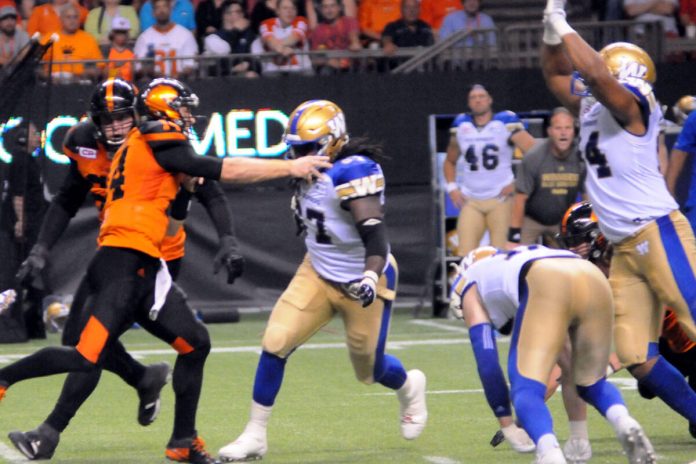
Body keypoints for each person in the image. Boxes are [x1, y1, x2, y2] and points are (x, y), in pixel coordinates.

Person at [0, 78, 331, 462]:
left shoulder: (143, 146)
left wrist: (198, 208)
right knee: (85, 354)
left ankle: (181, 439)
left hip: (145, 261)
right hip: (124, 261)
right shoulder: (156, 138)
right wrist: (290, 166)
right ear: (164, 112)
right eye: (184, 110)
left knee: (195, 343)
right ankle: (9, 382)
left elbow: (178, 211)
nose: (189, 118)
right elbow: (222, 168)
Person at [217, 100, 428, 462]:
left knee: (369, 370)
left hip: (363, 278)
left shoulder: (353, 172)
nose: (297, 156)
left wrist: (369, 276)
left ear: (331, 142)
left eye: (305, 148)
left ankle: (409, 386)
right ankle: (254, 435)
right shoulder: (306, 167)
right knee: (275, 340)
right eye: (294, 148)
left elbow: (375, 235)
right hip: (316, 270)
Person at [542, 0, 696, 437]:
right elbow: (556, 74)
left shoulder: (637, 101)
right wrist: (550, 32)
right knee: (636, 354)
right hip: (625, 246)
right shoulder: (594, 108)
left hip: (657, 229)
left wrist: (563, 23)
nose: (594, 81)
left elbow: (595, 76)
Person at [449, 245, 656, 464]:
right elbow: (566, 365)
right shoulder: (517, 258)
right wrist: (579, 436)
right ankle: (622, 422)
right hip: (591, 276)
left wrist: (506, 423)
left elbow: (487, 364)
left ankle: (549, 453)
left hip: (545, 281)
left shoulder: (469, 281)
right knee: (588, 378)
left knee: (525, 388)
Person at [559, 201, 696, 441]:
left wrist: (611, 361)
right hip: (674, 344)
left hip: (689, 338)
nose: (572, 248)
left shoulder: (640, 256)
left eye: (577, 240)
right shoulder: (598, 275)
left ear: (598, 237)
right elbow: (565, 357)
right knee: (646, 377)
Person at [443, 84, 536, 257]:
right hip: (471, 200)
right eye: (473, 97)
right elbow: (450, 161)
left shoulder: (504, 122)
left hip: (500, 199)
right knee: (465, 255)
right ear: (468, 102)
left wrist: (517, 184)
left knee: (502, 256)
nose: (478, 100)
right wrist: (451, 187)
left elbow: (535, 154)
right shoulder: (462, 126)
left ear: (490, 99)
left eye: (481, 96)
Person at [0, 119, 48, 339]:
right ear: (24, 138)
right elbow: (18, 194)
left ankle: (31, 322)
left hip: (31, 224)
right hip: (23, 228)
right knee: (22, 273)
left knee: (32, 275)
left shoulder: (29, 160)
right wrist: (20, 222)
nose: (38, 137)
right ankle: (16, 322)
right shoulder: (21, 160)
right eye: (34, 133)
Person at [507, 107, 583, 247]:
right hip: (531, 219)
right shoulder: (534, 156)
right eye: (558, 128)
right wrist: (513, 236)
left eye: (568, 128)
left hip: (563, 220)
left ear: (574, 131)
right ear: (549, 132)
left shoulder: (581, 156)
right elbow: (520, 198)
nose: (563, 133)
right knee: (516, 256)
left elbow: (587, 195)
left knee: (575, 258)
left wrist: (585, 228)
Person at [134, 0, 199, 78]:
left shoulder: (185, 35)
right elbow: (138, 67)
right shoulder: (144, 38)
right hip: (153, 85)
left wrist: (176, 77)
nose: (162, 10)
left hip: (180, 84)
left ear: (171, 10)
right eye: (158, 8)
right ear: (153, 13)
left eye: (164, 6)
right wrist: (151, 72)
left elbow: (191, 65)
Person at [203, 0, 259, 77]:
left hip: (246, 78)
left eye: (240, 12)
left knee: (251, 75)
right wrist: (235, 31)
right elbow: (224, 51)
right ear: (225, 15)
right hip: (220, 81)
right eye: (237, 12)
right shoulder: (213, 38)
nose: (241, 15)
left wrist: (248, 64)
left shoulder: (250, 35)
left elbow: (258, 60)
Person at [49, 4, 104, 82]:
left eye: (75, 17)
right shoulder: (49, 38)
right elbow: (38, 68)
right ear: (61, 19)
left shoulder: (89, 39)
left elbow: (99, 68)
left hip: (81, 82)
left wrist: (77, 75)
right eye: (68, 17)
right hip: (53, 82)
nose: (72, 20)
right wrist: (50, 77)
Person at [255, 0, 312, 75]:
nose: (289, 11)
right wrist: (282, 50)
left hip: (300, 69)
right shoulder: (265, 24)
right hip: (274, 70)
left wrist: (279, 48)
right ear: (277, 11)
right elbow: (271, 42)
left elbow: (294, 38)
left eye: (293, 8)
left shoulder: (301, 21)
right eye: (285, 8)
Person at [309, 0, 361, 74]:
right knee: (326, 71)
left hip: (351, 68)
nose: (329, 10)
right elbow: (315, 58)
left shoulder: (350, 21)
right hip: (330, 70)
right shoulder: (318, 30)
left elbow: (353, 36)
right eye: (325, 7)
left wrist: (355, 42)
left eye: (332, 6)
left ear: (339, 7)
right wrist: (328, 61)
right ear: (321, 10)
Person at [105, 16, 135, 81]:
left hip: (128, 85)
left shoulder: (131, 52)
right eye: (118, 32)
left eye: (123, 33)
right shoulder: (106, 51)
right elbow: (103, 74)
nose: (121, 35)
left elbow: (134, 75)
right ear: (113, 33)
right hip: (111, 86)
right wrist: (115, 67)